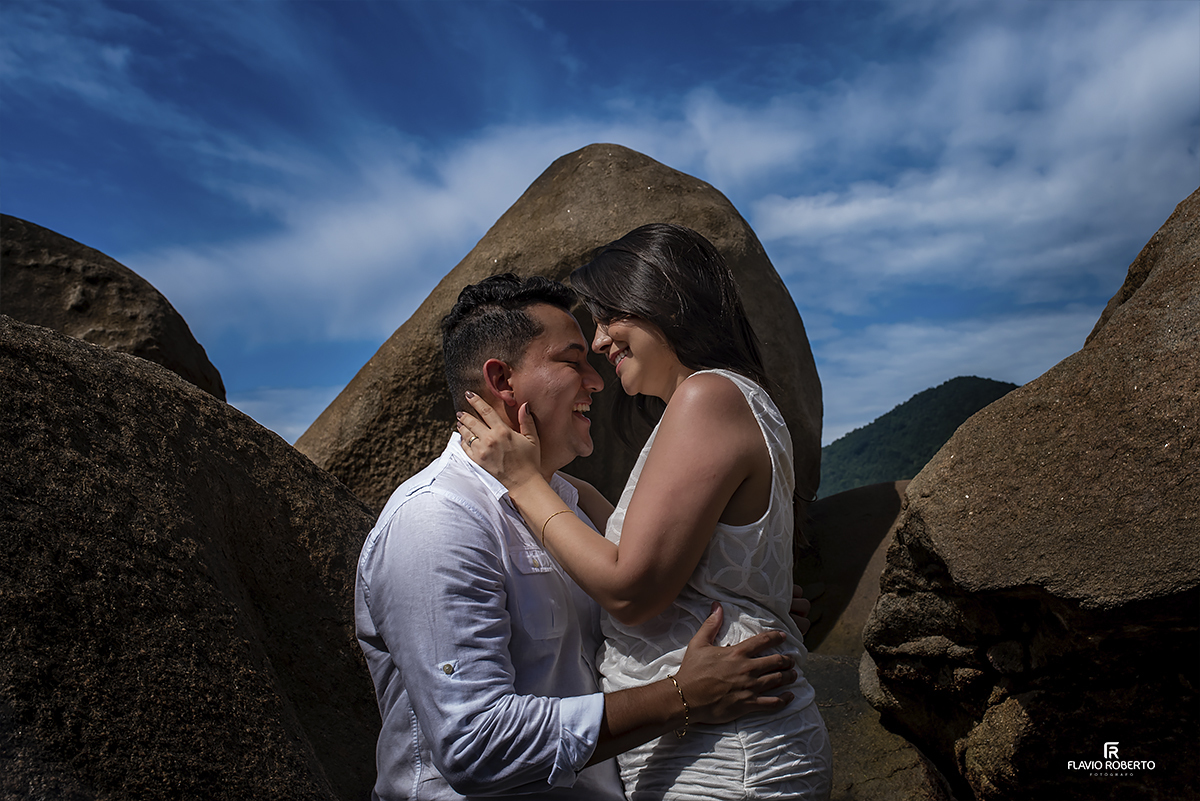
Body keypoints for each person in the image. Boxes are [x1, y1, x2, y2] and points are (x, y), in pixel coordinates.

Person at [355, 273, 808, 801]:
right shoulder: (437, 518)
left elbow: (628, 639)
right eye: (572, 362)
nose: (597, 381)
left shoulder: (567, 507)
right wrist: (682, 697)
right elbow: (474, 744)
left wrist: (731, 609)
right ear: (502, 381)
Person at [457, 224, 833, 800]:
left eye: (610, 319)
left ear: (662, 302)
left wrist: (523, 480)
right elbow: (629, 537)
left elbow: (631, 587)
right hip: (713, 746)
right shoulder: (719, 401)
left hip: (728, 757)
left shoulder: (708, 397)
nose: (603, 343)